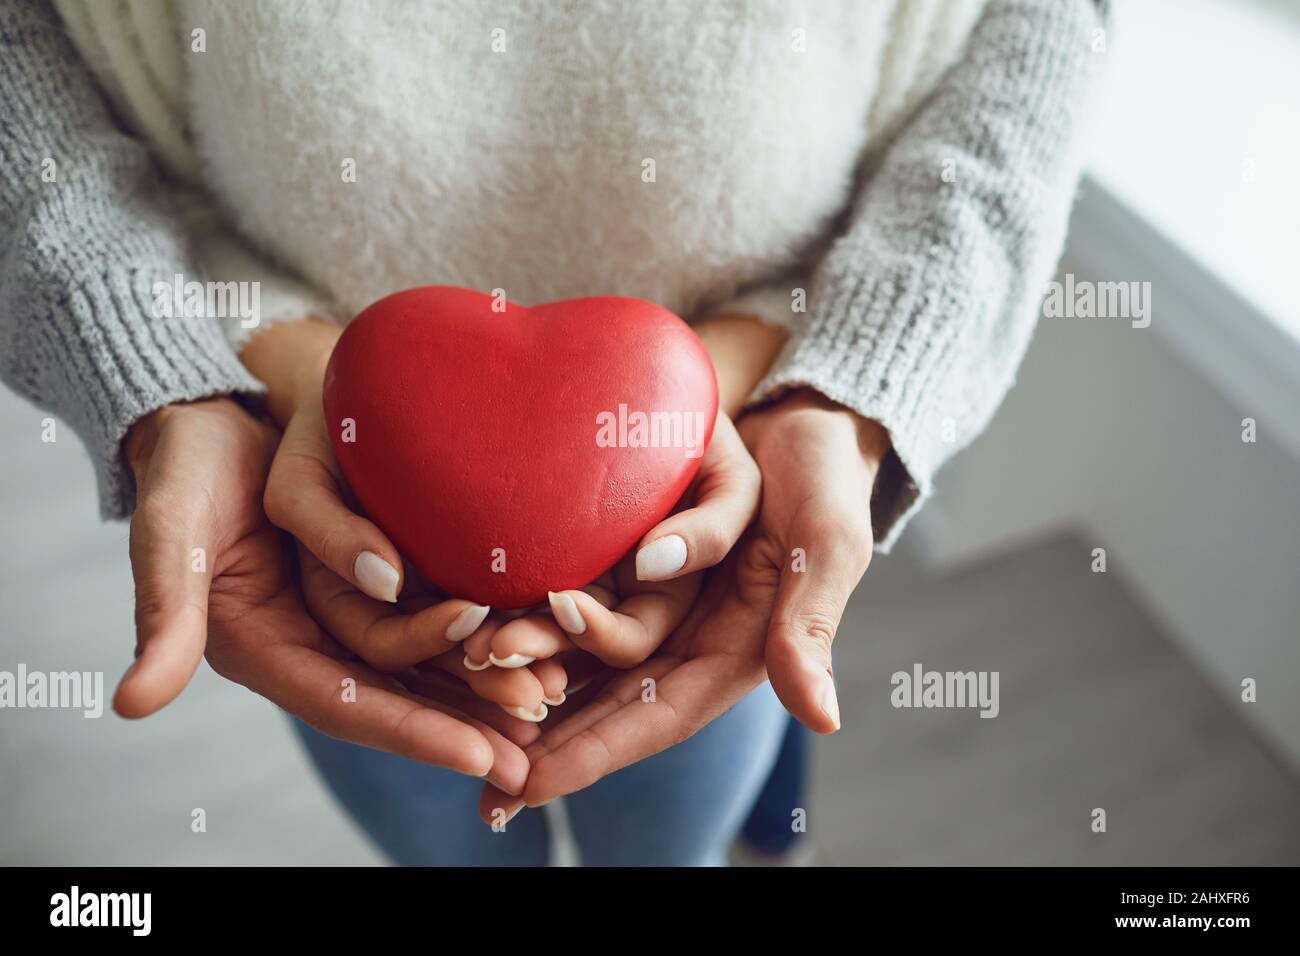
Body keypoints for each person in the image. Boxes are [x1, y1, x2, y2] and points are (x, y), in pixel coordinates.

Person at [0, 0, 1108, 865]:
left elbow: (1030, 48)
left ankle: (772, 836)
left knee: (672, 837)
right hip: (323, 519)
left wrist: (839, 382)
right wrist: (190, 373)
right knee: (444, 839)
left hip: (720, 501)